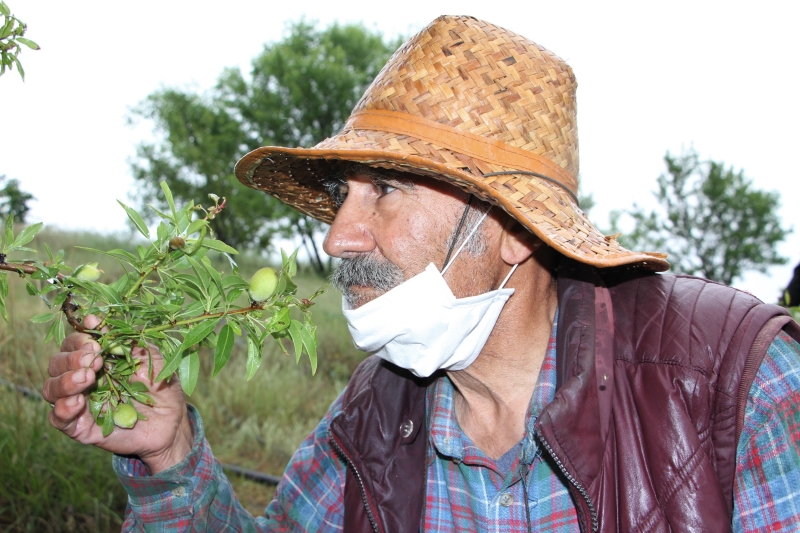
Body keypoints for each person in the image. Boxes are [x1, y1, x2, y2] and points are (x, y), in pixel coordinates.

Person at [42, 15, 800, 533]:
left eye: (388, 189)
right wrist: (168, 453)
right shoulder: (374, 417)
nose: (339, 237)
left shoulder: (735, 386)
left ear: (507, 229)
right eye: (342, 197)